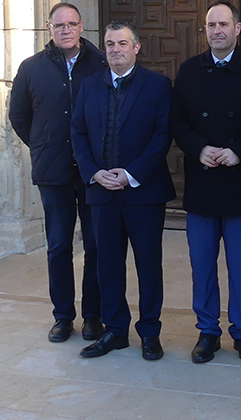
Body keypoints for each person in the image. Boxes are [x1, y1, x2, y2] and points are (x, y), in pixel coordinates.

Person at [171, 1, 241, 364]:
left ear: (238, 28)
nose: (217, 30)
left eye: (223, 24)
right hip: (202, 184)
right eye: (210, 25)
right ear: (204, 30)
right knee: (201, 265)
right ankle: (207, 331)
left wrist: (239, 152)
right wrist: (198, 148)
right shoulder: (188, 71)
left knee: (240, 265)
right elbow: (178, 121)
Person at [69, 21, 175, 359]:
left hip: (143, 193)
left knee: (148, 264)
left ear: (136, 47)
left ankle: (149, 332)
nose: (116, 49)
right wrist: (94, 173)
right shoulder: (88, 86)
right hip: (101, 193)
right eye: (110, 44)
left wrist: (130, 174)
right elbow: (78, 134)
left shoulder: (157, 85)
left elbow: (162, 136)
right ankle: (115, 330)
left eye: (122, 43)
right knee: (106, 264)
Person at [8, 2, 108, 344]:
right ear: (48, 29)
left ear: (82, 27)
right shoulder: (31, 68)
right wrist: (42, 145)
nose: (66, 30)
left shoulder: (100, 64)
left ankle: (94, 315)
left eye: (72, 24)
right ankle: (63, 316)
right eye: (58, 25)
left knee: (96, 245)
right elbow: (20, 116)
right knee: (58, 245)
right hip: (53, 171)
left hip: (92, 171)